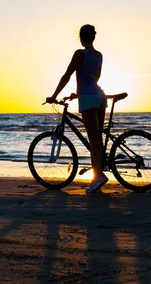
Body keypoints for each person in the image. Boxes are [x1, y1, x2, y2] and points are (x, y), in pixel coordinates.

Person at [45, 24, 108, 194]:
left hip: (88, 98)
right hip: (100, 96)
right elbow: (95, 78)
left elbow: (67, 75)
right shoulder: (99, 55)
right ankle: (99, 170)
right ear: (93, 37)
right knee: (98, 137)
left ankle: (98, 177)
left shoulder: (80, 53)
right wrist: (77, 94)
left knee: (93, 140)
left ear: (81, 37)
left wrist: (54, 95)